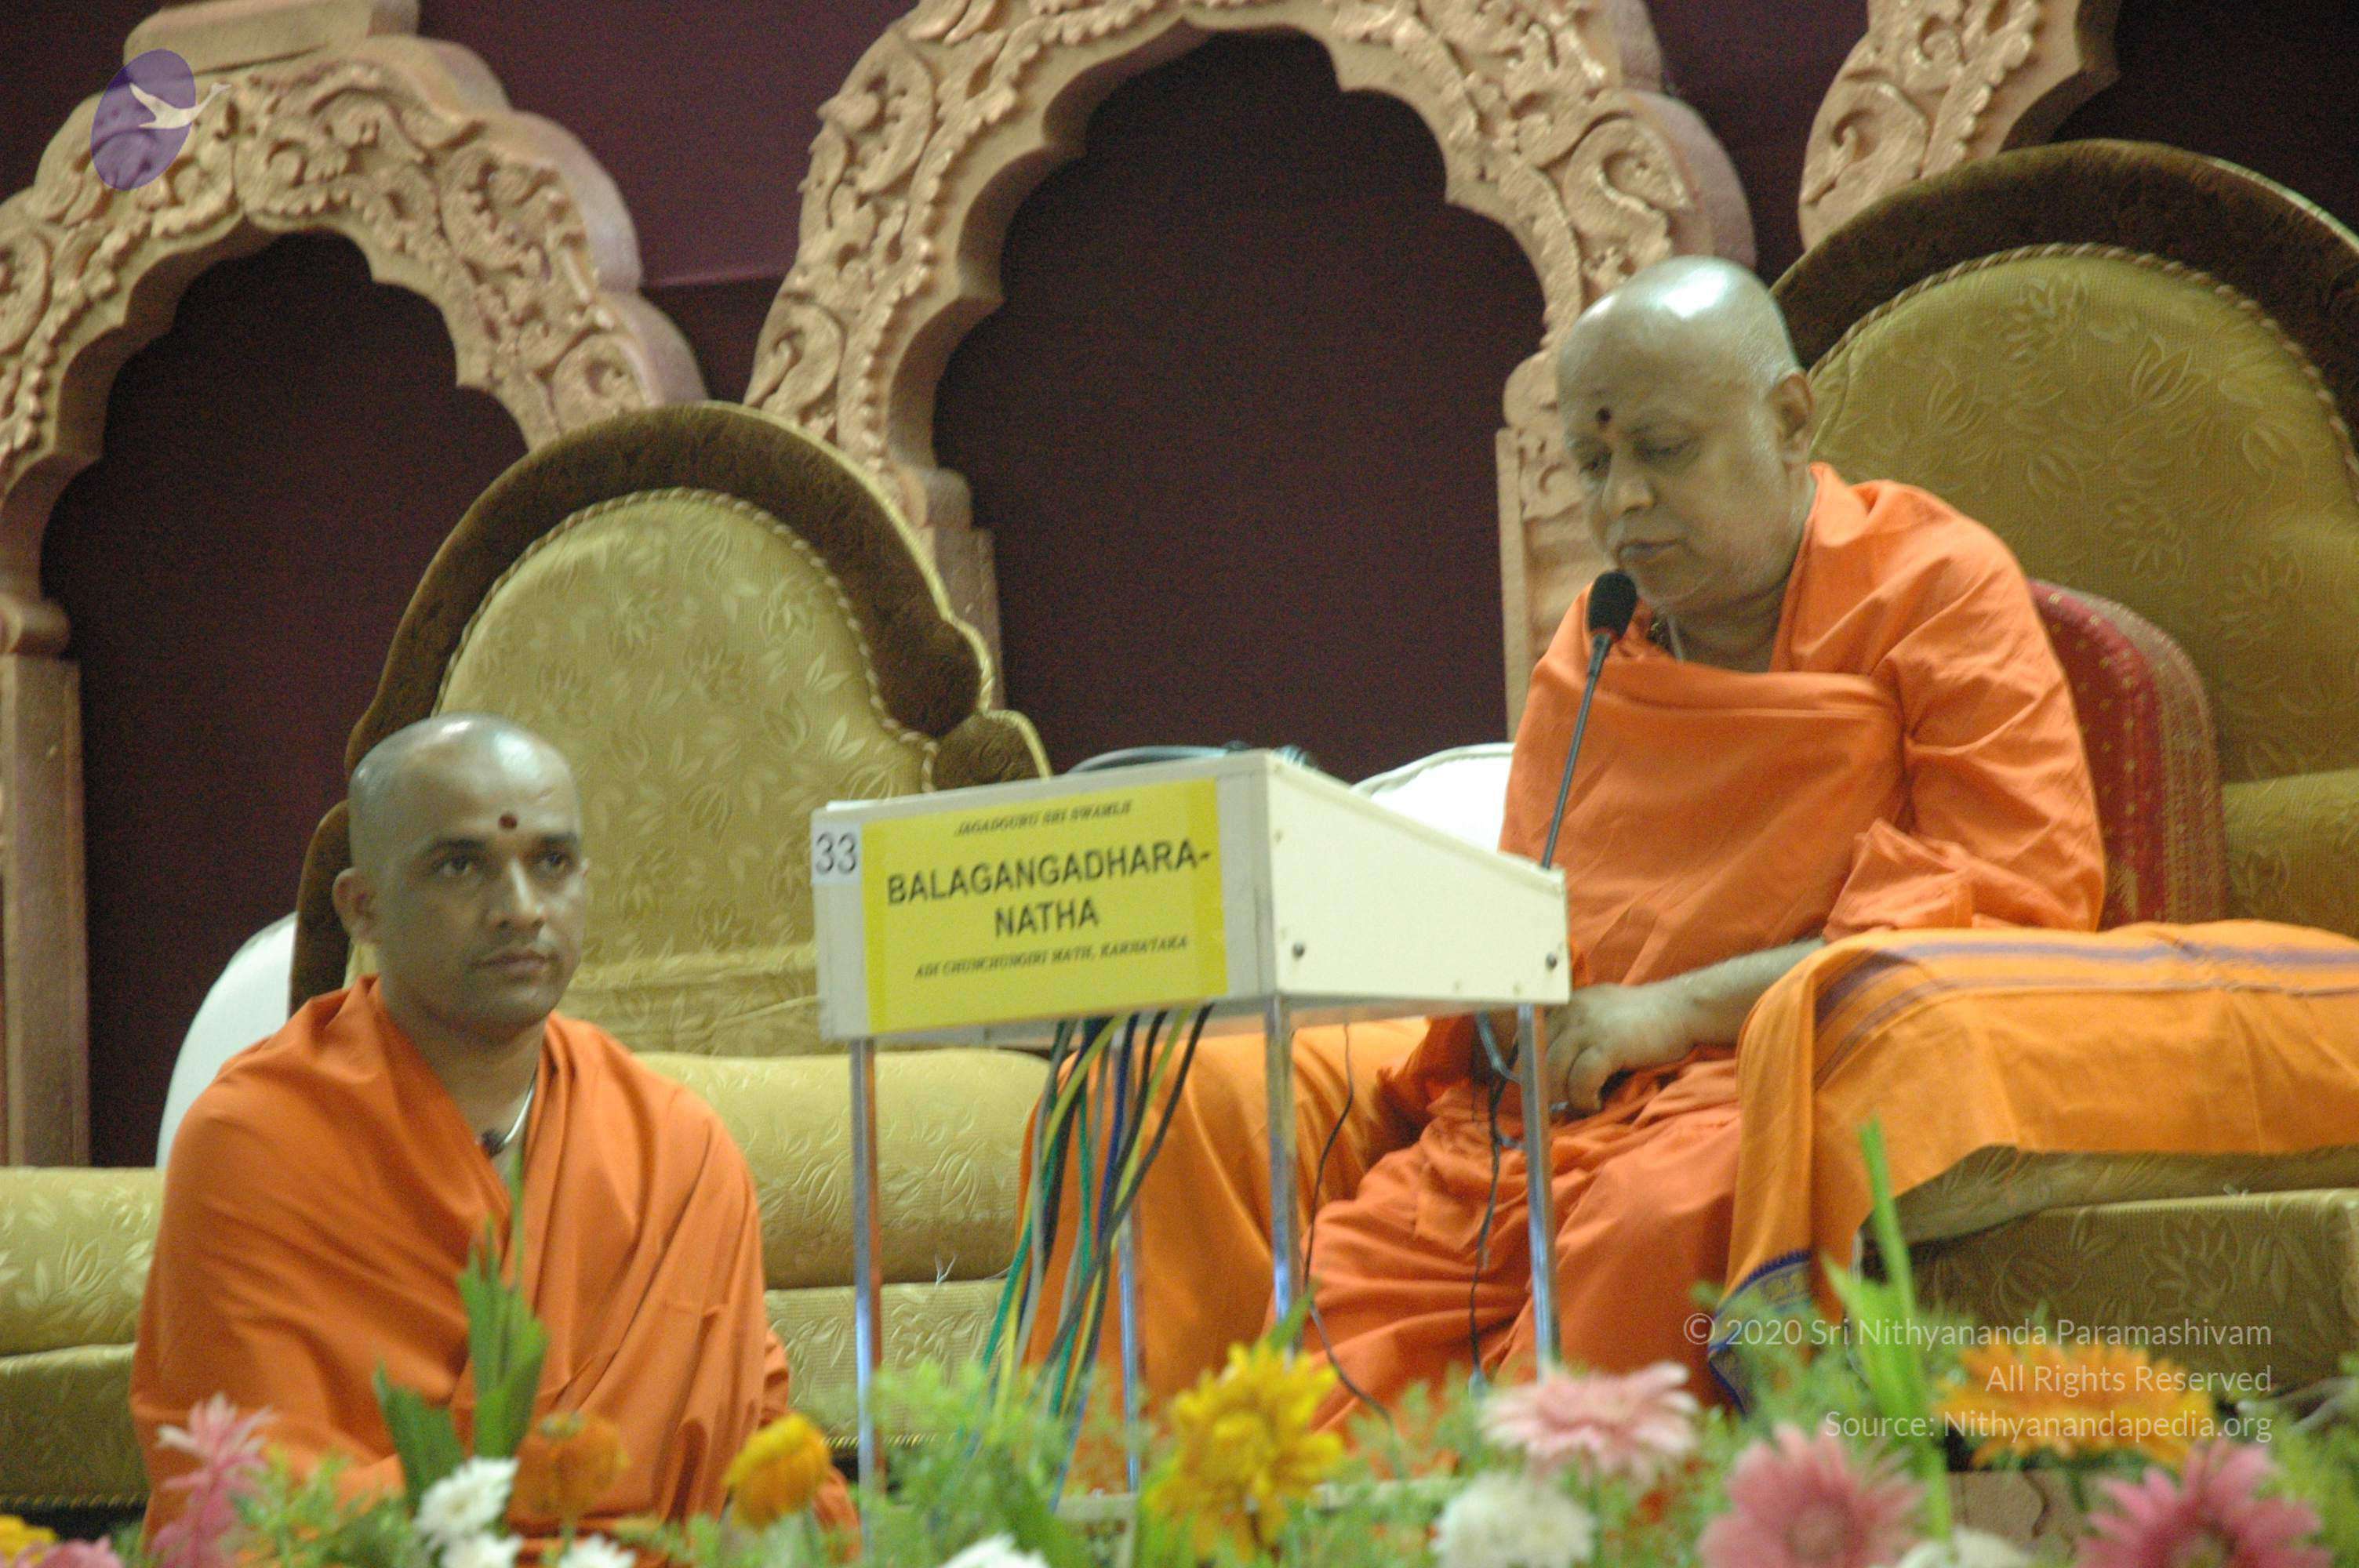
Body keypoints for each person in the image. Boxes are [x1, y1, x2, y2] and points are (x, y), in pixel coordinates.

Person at [1032, 254, 2109, 1414]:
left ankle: (1556, 1499)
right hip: (1558, 1096)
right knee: (1261, 1234)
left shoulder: (1933, 587)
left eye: (1663, 449)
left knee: (1653, 1212)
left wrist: (1674, 1011)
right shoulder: (1597, 646)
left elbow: (2012, 913)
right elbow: (1526, 933)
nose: (1622, 502)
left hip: (1775, 1071)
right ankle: (1117, 1487)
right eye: (1592, 465)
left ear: (1790, 418)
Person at [131, 714, 854, 1533]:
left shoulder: (676, 1149)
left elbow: (753, 1459)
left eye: (552, 862)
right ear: (363, 908)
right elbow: (256, 1502)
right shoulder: (258, 1145)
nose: (521, 908)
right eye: (461, 865)